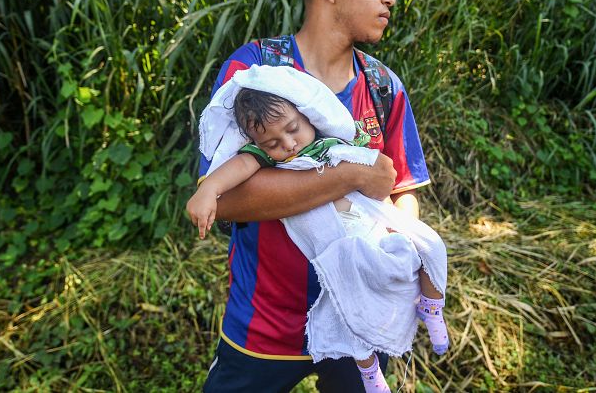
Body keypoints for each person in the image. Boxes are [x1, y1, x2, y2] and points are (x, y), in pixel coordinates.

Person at [188, 0, 437, 392]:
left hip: (358, 321)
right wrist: (348, 176)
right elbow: (227, 197)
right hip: (264, 325)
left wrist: (399, 254)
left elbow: (400, 188)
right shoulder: (255, 73)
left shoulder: (384, 87)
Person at [187, 66, 449, 393]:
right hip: (306, 274)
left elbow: (388, 175)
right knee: (349, 297)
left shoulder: (336, 134)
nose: (288, 145)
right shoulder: (266, 152)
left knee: (429, 244)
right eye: (271, 143)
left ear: (308, 115)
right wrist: (208, 191)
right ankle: (369, 371)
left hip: (368, 226)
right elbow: (238, 166)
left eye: (293, 129)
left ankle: (431, 306)